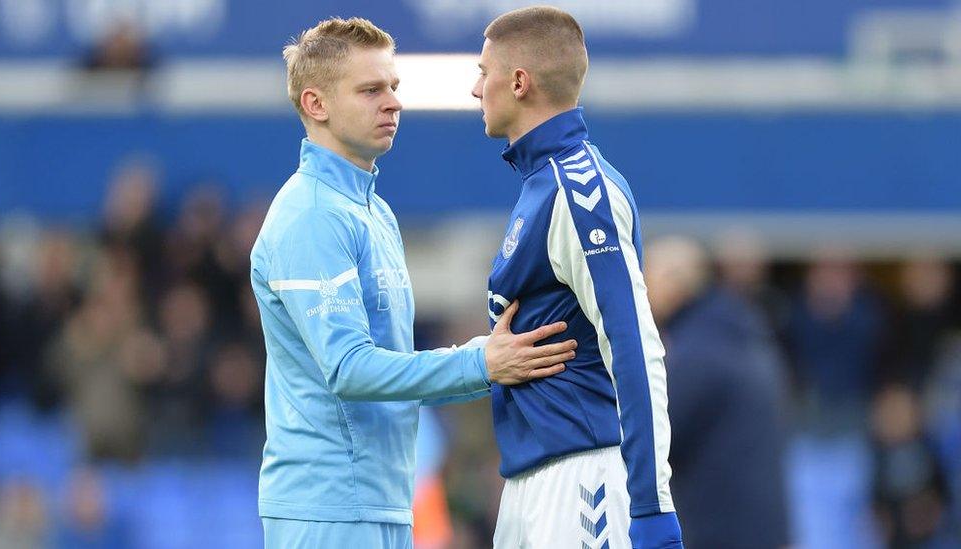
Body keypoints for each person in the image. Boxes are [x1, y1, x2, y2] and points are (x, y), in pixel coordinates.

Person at [249, 17, 576, 549]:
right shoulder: (309, 216)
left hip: (382, 500)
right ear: (316, 104)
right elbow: (348, 368)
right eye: (371, 89)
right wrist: (479, 362)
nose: (393, 102)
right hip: (327, 510)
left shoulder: (373, 212)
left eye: (394, 87)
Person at [471, 7, 684, 548]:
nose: (476, 89)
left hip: (583, 479)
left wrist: (653, 504)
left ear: (519, 82)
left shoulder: (580, 190)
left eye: (483, 71)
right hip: (530, 481)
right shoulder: (541, 185)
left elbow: (634, 343)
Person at [644, 236, 791, 549]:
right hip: (758, 523)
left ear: (674, 281)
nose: (641, 291)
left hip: (722, 527)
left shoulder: (698, 349)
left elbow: (657, 439)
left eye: (648, 276)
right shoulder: (737, 328)